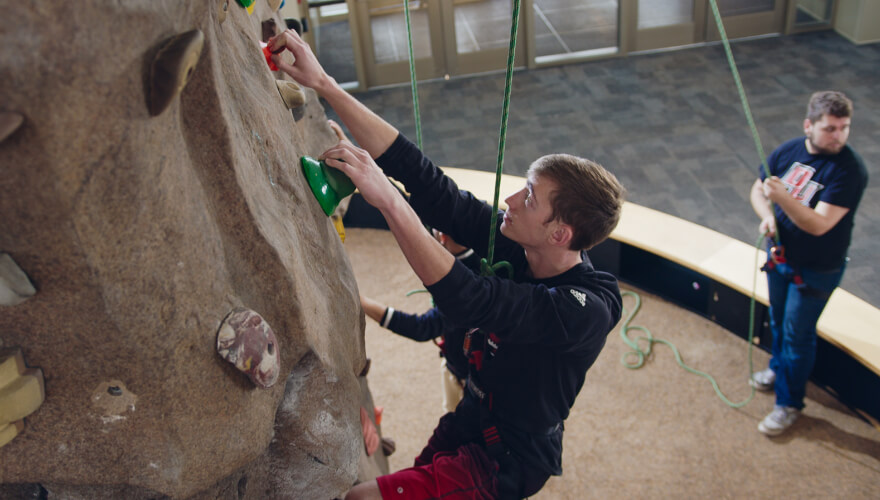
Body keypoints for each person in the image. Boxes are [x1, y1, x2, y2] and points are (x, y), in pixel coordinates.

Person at [269, 29, 625, 499]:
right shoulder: (522, 242)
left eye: (530, 198)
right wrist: (326, 85)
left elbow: (472, 298)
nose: (512, 200)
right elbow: (436, 189)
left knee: (361, 498)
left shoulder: (585, 309)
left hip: (506, 460)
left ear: (560, 234)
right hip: (471, 420)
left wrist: (389, 203)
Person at [749, 90, 868, 437]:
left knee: (797, 336)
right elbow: (758, 190)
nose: (839, 136)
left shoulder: (849, 171)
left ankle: (789, 404)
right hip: (781, 258)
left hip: (817, 269)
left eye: (844, 128)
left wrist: (782, 199)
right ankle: (777, 368)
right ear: (809, 126)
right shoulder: (789, 151)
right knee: (777, 321)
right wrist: (768, 215)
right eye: (830, 128)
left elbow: (818, 225)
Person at [361, 229, 482, 413]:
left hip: (467, 375)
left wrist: (362, 302)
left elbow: (421, 327)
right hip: (457, 359)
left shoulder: (460, 288)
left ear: (442, 236)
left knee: (458, 422)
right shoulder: (479, 259)